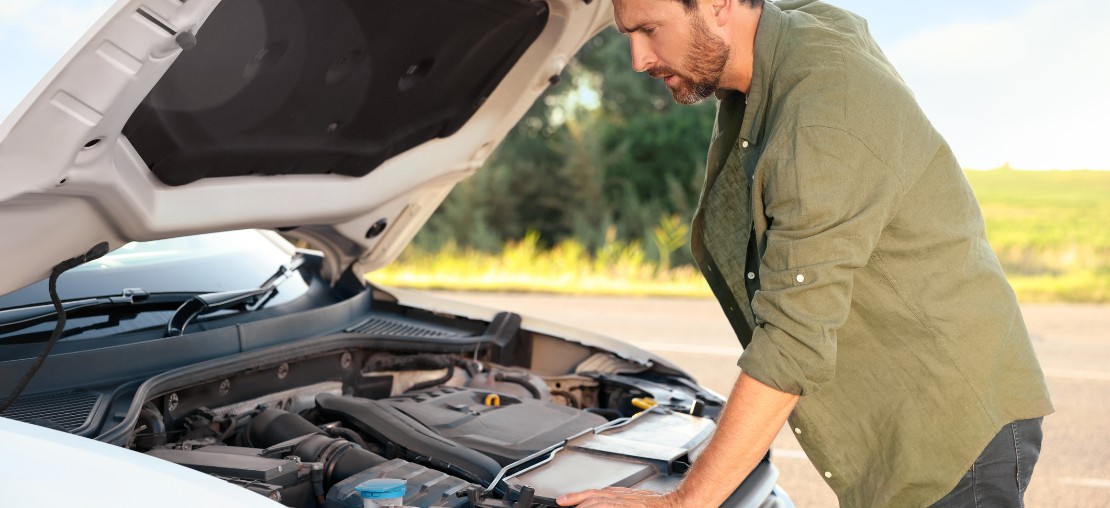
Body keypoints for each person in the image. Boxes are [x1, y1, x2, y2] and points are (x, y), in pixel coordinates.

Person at [556, 0, 1054, 507]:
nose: (638, 59)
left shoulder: (824, 117)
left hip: (950, 430)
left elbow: (793, 340)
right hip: (908, 407)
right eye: (627, 34)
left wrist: (683, 502)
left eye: (649, 30)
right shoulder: (789, 35)